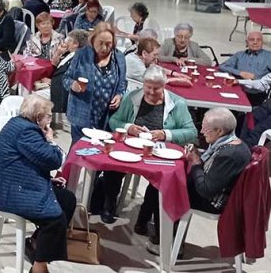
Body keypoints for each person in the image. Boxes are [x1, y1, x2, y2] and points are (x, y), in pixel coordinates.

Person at [0, 95, 76, 273]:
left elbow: (26, 161)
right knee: (55, 218)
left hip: (13, 181)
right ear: (38, 117)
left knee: (67, 199)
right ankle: (39, 266)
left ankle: (35, 243)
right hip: (8, 191)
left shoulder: (19, 124)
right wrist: (50, 140)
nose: (50, 120)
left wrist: (48, 180)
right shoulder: (27, 132)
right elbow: (54, 160)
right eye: (49, 116)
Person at [98, 66, 198, 225]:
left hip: (161, 152)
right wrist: (128, 127)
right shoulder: (132, 98)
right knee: (113, 168)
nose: (151, 92)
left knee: (162, 178)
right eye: (148, 87)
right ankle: (109, 205)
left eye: (156, 88)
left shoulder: (177, 103)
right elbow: (114, 121)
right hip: (133, 147)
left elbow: (191, 132)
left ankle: (144, 216)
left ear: (164, 85)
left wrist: (166, 134)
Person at [148, 108, 251, 254]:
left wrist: (196, 163)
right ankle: (163, 230)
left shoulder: (228, 154)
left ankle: (166, 244)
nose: (202, 132)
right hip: (215, 191)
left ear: (219, 131)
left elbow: (205, 190)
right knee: (168, 181)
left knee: (164, 187)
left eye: (205, 128)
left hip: (214, 202)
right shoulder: (232, 143)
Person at [64, 23, 127, 143]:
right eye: (100, 43)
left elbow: (123, 83)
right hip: (82, 114)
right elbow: (66, 79)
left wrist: (119, 95)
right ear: (93, 40)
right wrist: (74, 85)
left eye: (108, 44)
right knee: (80, 151)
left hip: (106, 116)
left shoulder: (119, 58)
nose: (104, 48)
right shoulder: (82, 54)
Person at [125, 38, 193, 84]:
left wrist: (174, 74)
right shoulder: (135, 63)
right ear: (144, 54)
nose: (157, 57)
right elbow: (153, 81)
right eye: (154, 55)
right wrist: (178, 80)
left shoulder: (140, 58)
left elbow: (153, 67)